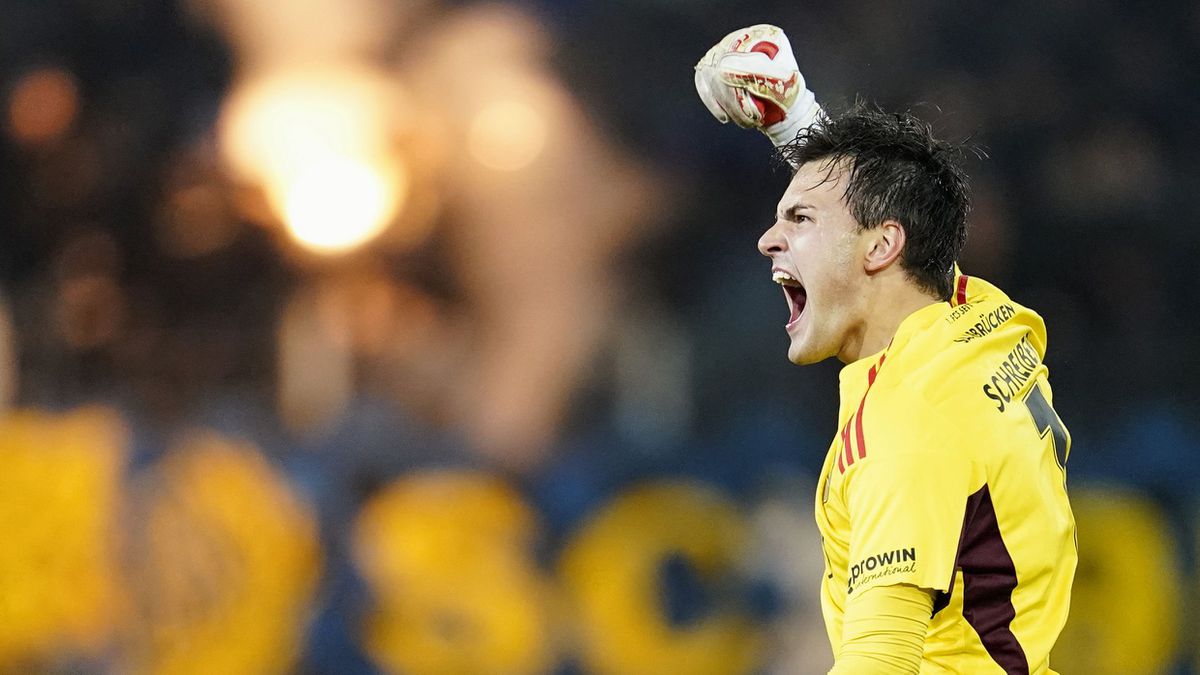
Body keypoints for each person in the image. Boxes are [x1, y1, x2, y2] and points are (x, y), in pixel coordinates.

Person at [695, 25, 1077, 674]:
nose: (767, 239)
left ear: (880, 247)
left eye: (798, 220)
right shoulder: (979, 317)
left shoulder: (907, 428)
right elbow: (891, 226)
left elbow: (881, 659)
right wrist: (795, 118)